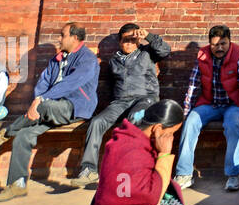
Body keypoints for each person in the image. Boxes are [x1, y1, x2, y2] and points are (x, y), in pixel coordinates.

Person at [0, 23, 99, 202]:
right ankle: (17, 185)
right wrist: (38, 98)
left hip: (75, 108)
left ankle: (7, 132)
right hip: (48, 109)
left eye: (62, 35)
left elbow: (72, 83)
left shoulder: (87, 59)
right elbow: (43, 84)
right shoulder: (57, 59)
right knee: (23, 135)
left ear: (75, 38)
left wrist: (41, 101)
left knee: (44, 107)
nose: (59, 39)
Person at [71, 23, 171, 187]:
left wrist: (148, 36)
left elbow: (165, 50)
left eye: (133, 40)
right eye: (126, 40)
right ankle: (89, 170)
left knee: (134, 119)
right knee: (96, 122)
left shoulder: (147, 53)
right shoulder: (113, 61)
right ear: (119, 42)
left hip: (145, 99)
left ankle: (131, 171)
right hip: (120, 102)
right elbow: (112, 87)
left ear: (138, 40)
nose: (129, 43)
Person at [173, 25, 239, 192]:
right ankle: (184, 174)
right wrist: (187, 112)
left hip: (234, 105)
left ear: (229, 42)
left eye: (223, 44)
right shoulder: (202, 56)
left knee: (232, 125)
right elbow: (193, 86)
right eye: (214, 44)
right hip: (209, 103)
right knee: (190, 123)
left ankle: (233, 175)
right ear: (209, 44)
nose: (219, 48)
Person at [88, 99, 188, 205]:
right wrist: (164, 155)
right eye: (170, 133)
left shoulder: (123, 140)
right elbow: (151, 197)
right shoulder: (134, 152)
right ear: (157, 129)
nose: (171, 139)